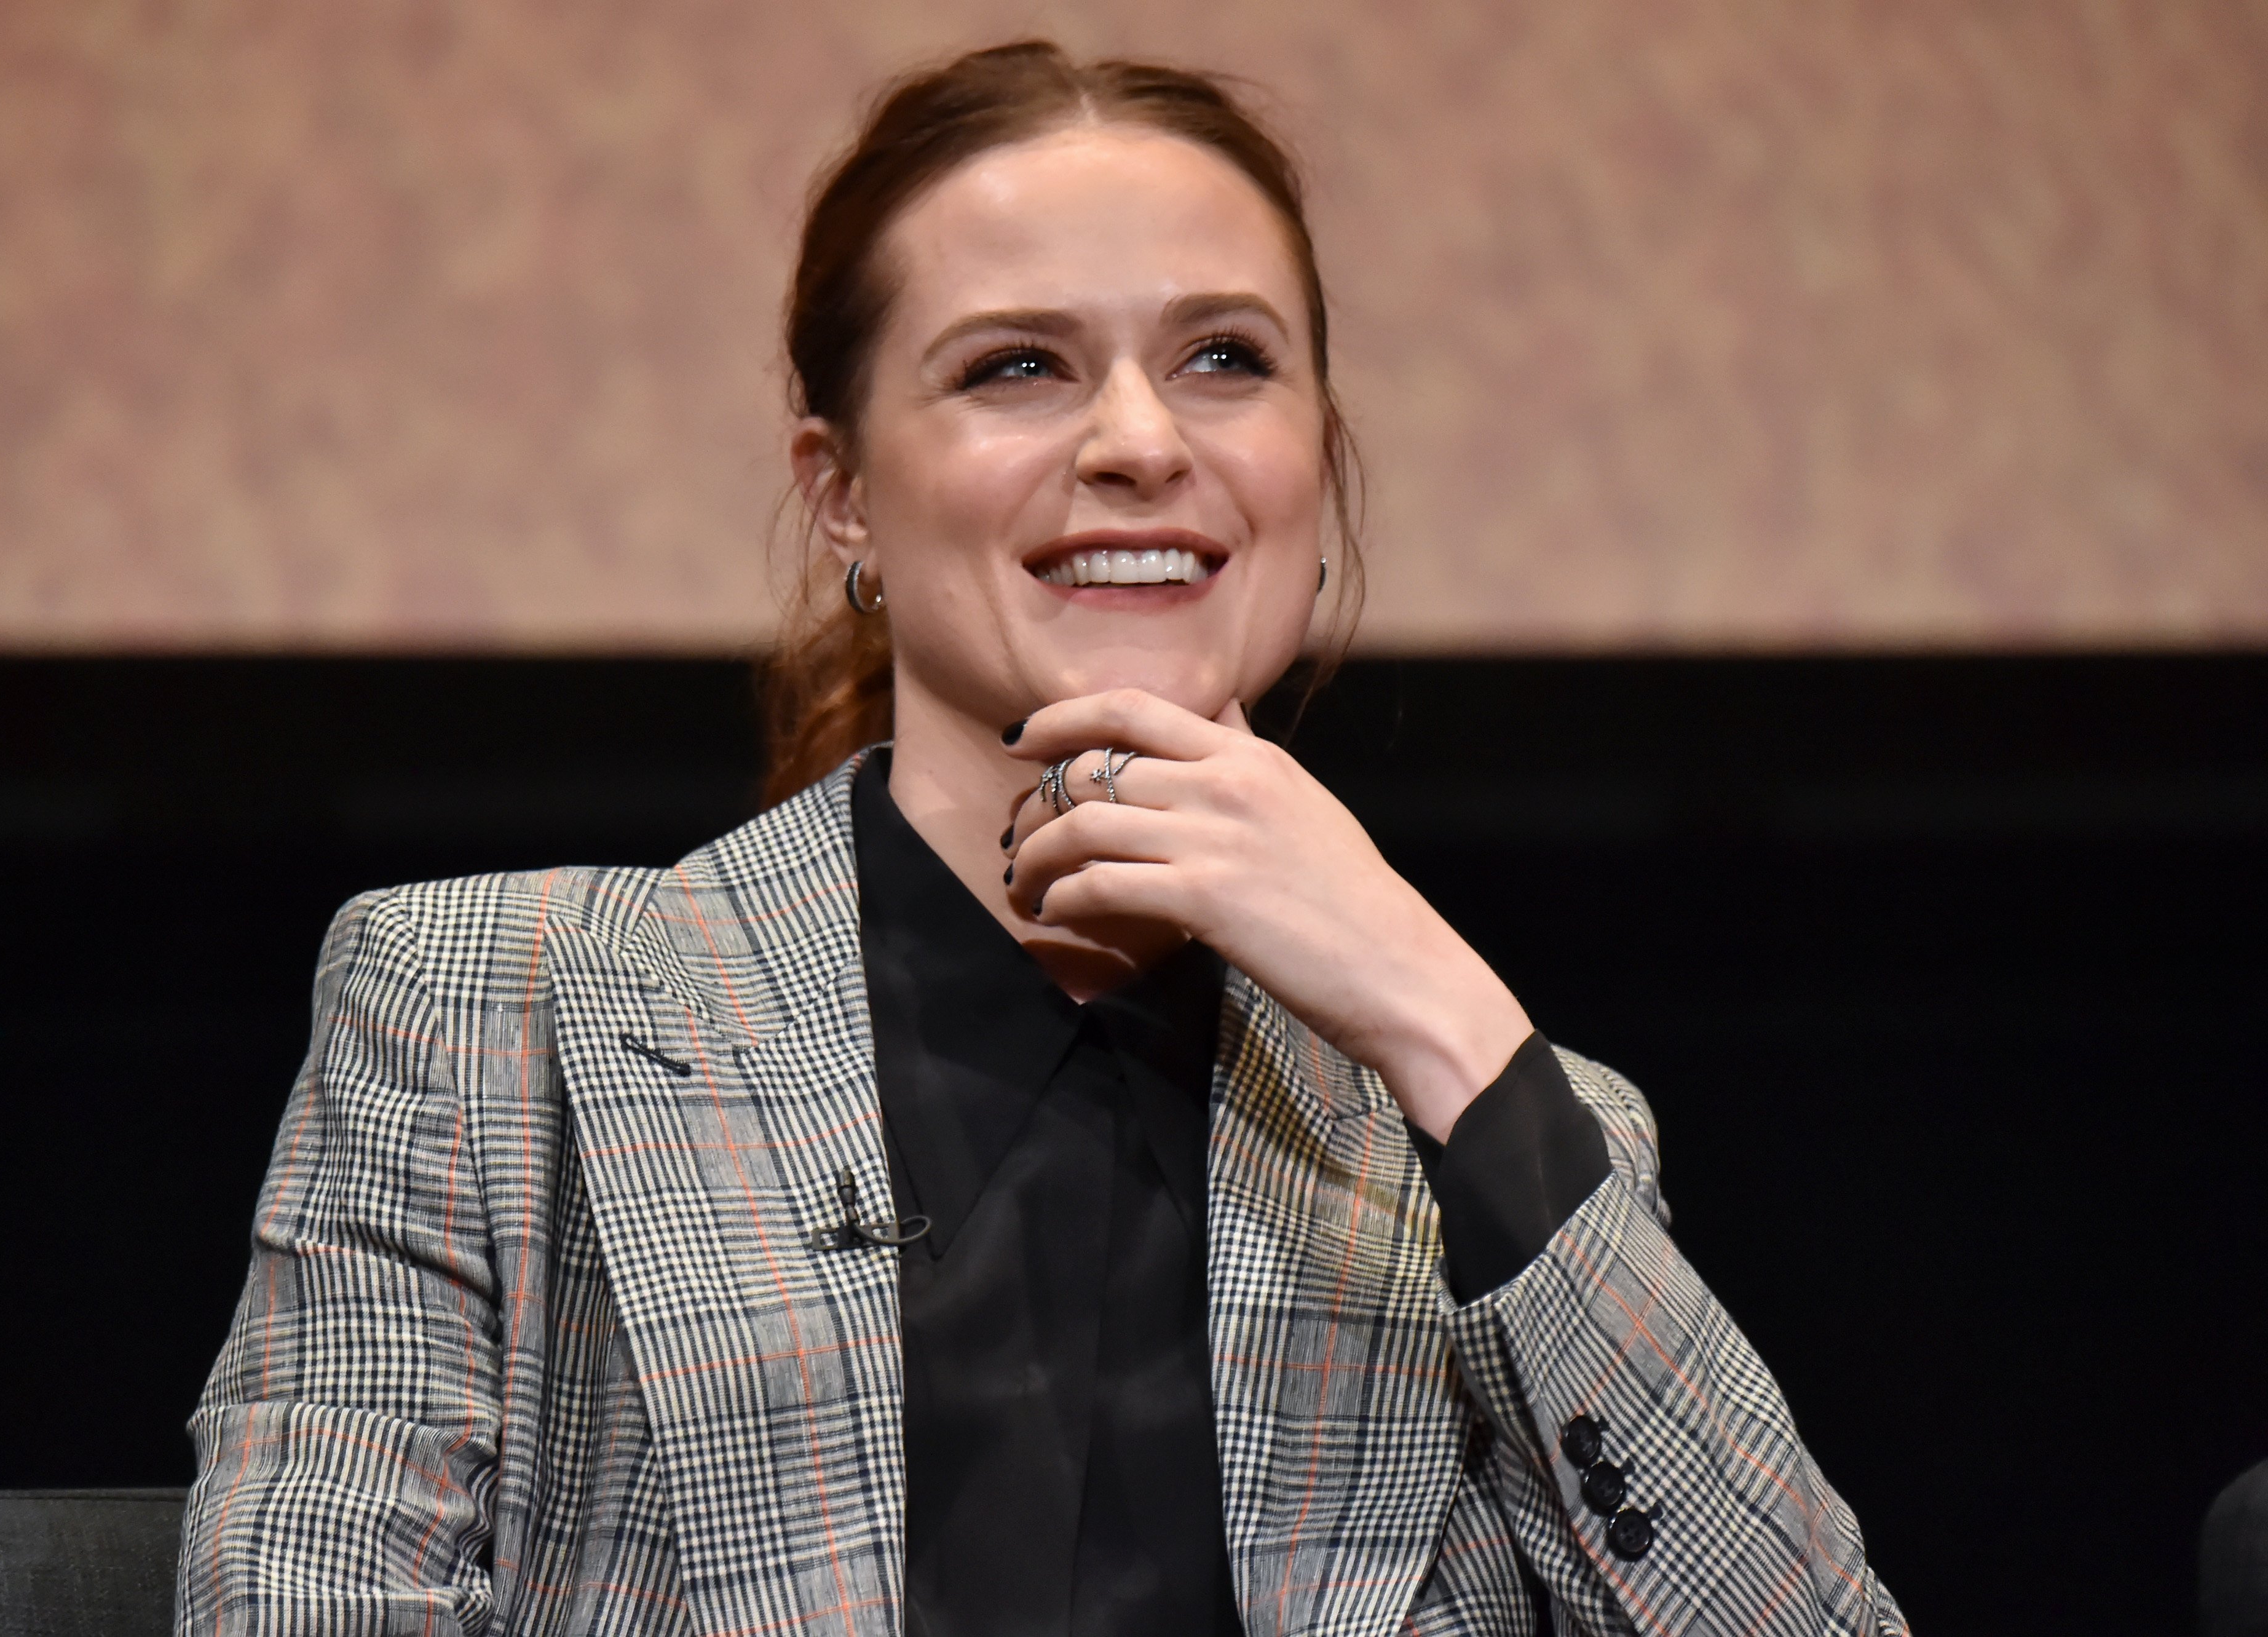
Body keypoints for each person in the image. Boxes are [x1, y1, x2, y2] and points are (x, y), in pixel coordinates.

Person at [176, 41, 1906, 1637]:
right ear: (841, 489)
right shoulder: (491, 1011)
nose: (1142, 443)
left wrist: (1435, 1012)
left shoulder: (1512, 1135)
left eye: (1226, 360)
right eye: (1019, 367)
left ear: (1318, 458)